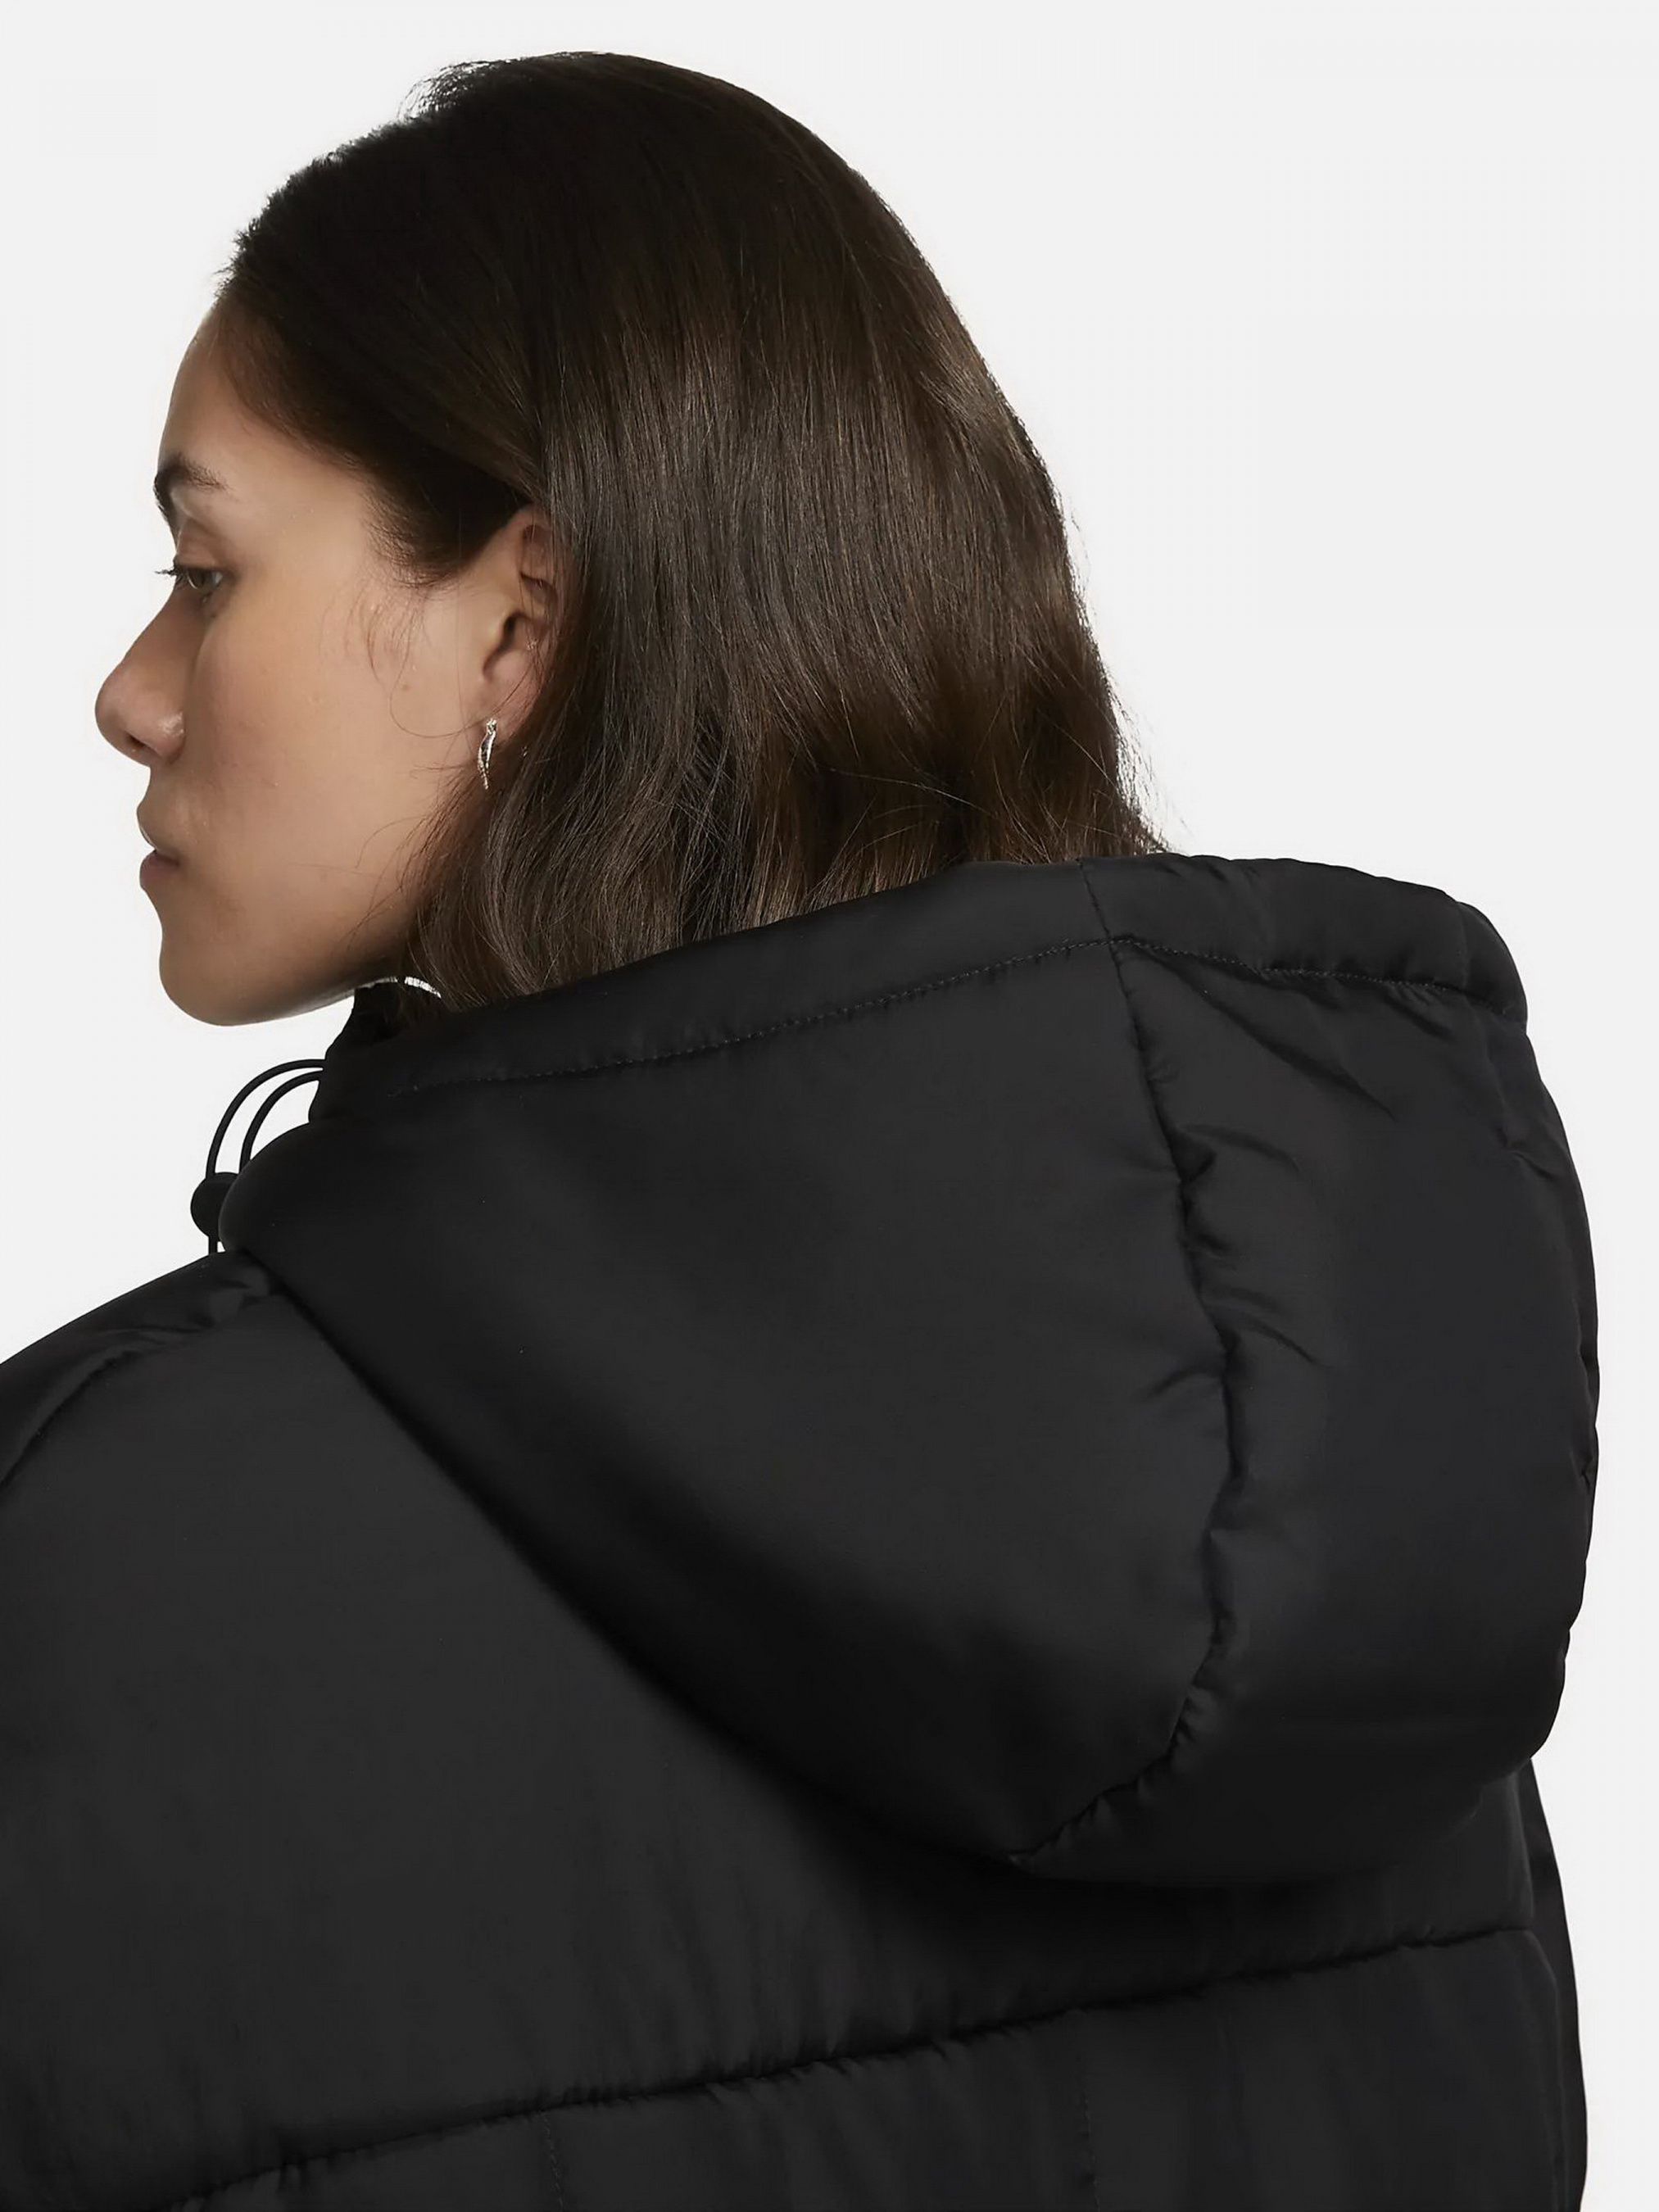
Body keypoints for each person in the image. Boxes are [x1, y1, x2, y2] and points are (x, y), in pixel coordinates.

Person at [0, 51, 1597, 2212]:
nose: (133, 688)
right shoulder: (1379, 1562)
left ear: (520, 622)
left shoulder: (91, 1563)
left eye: (206, 569)